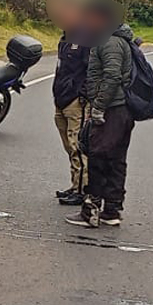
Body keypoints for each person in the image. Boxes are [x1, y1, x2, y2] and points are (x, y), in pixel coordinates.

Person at [68, 17, 137, 229]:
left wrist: (98, 106)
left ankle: (91, 210)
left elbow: (112, 76)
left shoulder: (110, 42)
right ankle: (111, 211)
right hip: (120, 110)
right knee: (116, 160)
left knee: (98, 157)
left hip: (112, 110)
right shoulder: (116, 40)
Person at [51, 33, 90, 205]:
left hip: (75, 101)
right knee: (69, 146)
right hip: (61, 97)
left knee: (77, 147)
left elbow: (92, 70)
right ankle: (75, 185)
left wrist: (83, 95)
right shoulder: (65, 39)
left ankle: (82, 190)